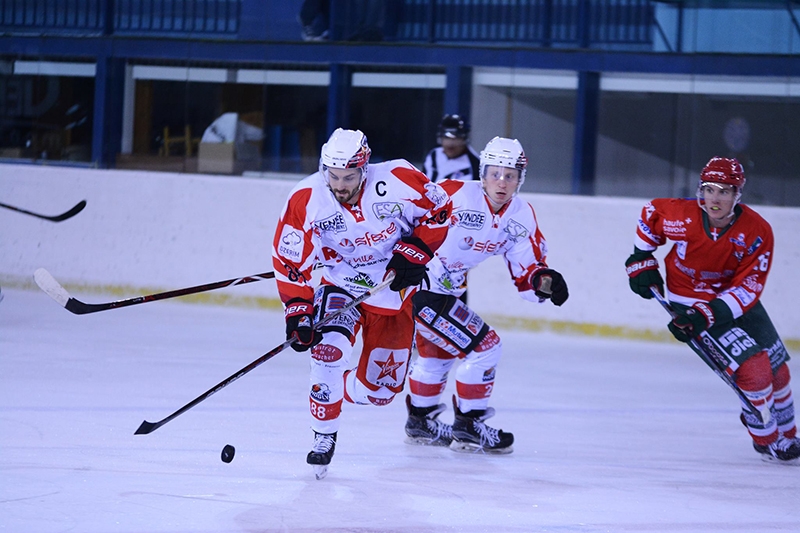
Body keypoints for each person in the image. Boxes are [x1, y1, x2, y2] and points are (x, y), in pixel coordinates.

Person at [272, 128, 452, 478]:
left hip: (392, 293)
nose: (340, 185)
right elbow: (290, 262)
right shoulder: (305, 199)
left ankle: (340, 390)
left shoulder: (398, 178)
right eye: (333, 176)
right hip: (341, 284)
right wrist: (298, 310)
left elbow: (440, 210)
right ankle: (323, 434)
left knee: (381, 392)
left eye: (349, 176)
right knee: (327, 352)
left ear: (364, 168)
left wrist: (415, 253)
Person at [625, 157, 799, 464]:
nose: (714, 199)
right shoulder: (681, 215)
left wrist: (709, 313)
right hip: (689, 302)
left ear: (737, 195)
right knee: (756, 372)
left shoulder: (757, 231)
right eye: (708, 189)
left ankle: (789, 433)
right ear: (699, 190)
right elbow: (651, 213)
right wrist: (642, 258)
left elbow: (748, 288)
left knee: (779, 372)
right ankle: (767, 439)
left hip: (735, 303)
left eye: (724, 191)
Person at [404, 137, 569, 454]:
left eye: (511, 175)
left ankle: (420, 422)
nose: (502, 182)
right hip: (419, 288)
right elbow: (406, 216)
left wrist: (544, 281)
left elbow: (527, 267)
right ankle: (468, 426)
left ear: (521, 178)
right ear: (482, 173)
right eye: (495, 173)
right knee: (486, 348)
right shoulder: (454, 194)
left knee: (437, 354)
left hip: (448, 292)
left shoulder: (520, 215)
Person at [423, 114, 481, 184]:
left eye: (456, 138)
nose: (450, 143)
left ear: (465, 139)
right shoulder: (433, 154)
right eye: (446, 137)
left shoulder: (476, 165)